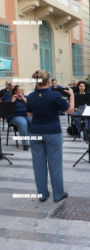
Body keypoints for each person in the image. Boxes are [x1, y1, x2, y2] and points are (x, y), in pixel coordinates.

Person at [27, 70, 74, 202]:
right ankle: (58, 194)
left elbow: (29, 115)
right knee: (55, 165)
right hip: (52, 132)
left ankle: (42, 194)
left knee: (38, 165)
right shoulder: (55, 95)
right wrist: (72, 96)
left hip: (35, 132)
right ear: (49, 81)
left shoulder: (30, 96)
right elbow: (70, 111)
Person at [8, 85, 32, 150]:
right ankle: (26, 143)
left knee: (33, 121)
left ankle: (35, 141)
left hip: (26, 115)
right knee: (23, 123)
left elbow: (31, 106)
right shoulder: (10, 98)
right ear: (16, 91)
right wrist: (13, 100)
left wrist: (23, 98)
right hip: (15, 116)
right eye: (20, 90)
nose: (22, 91)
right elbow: (8, 110)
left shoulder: (26, 97)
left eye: (22, 90)